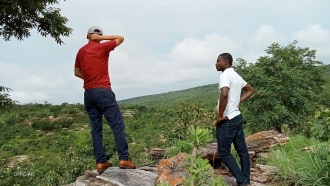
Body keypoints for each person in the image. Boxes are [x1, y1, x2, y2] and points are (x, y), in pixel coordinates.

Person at [74, 26, 136, 174]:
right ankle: (124, 159)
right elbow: (120, 38)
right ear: (97, 36)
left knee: (96, 129)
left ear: (87, 36)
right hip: (103, 91)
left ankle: (101, 162)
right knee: (117, 125)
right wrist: (101, 39)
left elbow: (77, 72)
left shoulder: (81, 51)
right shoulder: (102, 47)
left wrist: (89, 79)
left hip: (88, 93)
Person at [215, 53, 255, 186]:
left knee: (223, 152)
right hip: (237, 117)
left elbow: (224, 94)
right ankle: (246, 180)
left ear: (226, 62)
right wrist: (238, 101)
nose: (216, 64)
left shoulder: (225, 74)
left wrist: (220, 116)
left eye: (218, 61)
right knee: (242, 151)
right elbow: (250, 90)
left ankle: (241, 180)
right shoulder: (236, 76)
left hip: (228, 120)